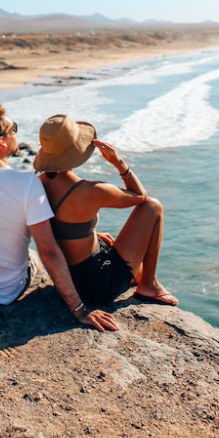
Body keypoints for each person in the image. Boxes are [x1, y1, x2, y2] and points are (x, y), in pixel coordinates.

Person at [0, 103, 118, 331]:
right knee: (33, 255)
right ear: (2, 142)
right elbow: (49, 250)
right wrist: (79, 309)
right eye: (14, 129)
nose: (16, 134)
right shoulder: (27, 184)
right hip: (9, 292)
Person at [34, 113, 178, 309]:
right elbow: (140, 196)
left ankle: (141, 278)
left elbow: (57, 227)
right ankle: (149, 286)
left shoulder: (35, 185)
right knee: (154, 206)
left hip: (66, 281)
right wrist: (119, 163)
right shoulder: (89, 191)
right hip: (97, 287)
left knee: (134, 266)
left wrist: (89, 234)